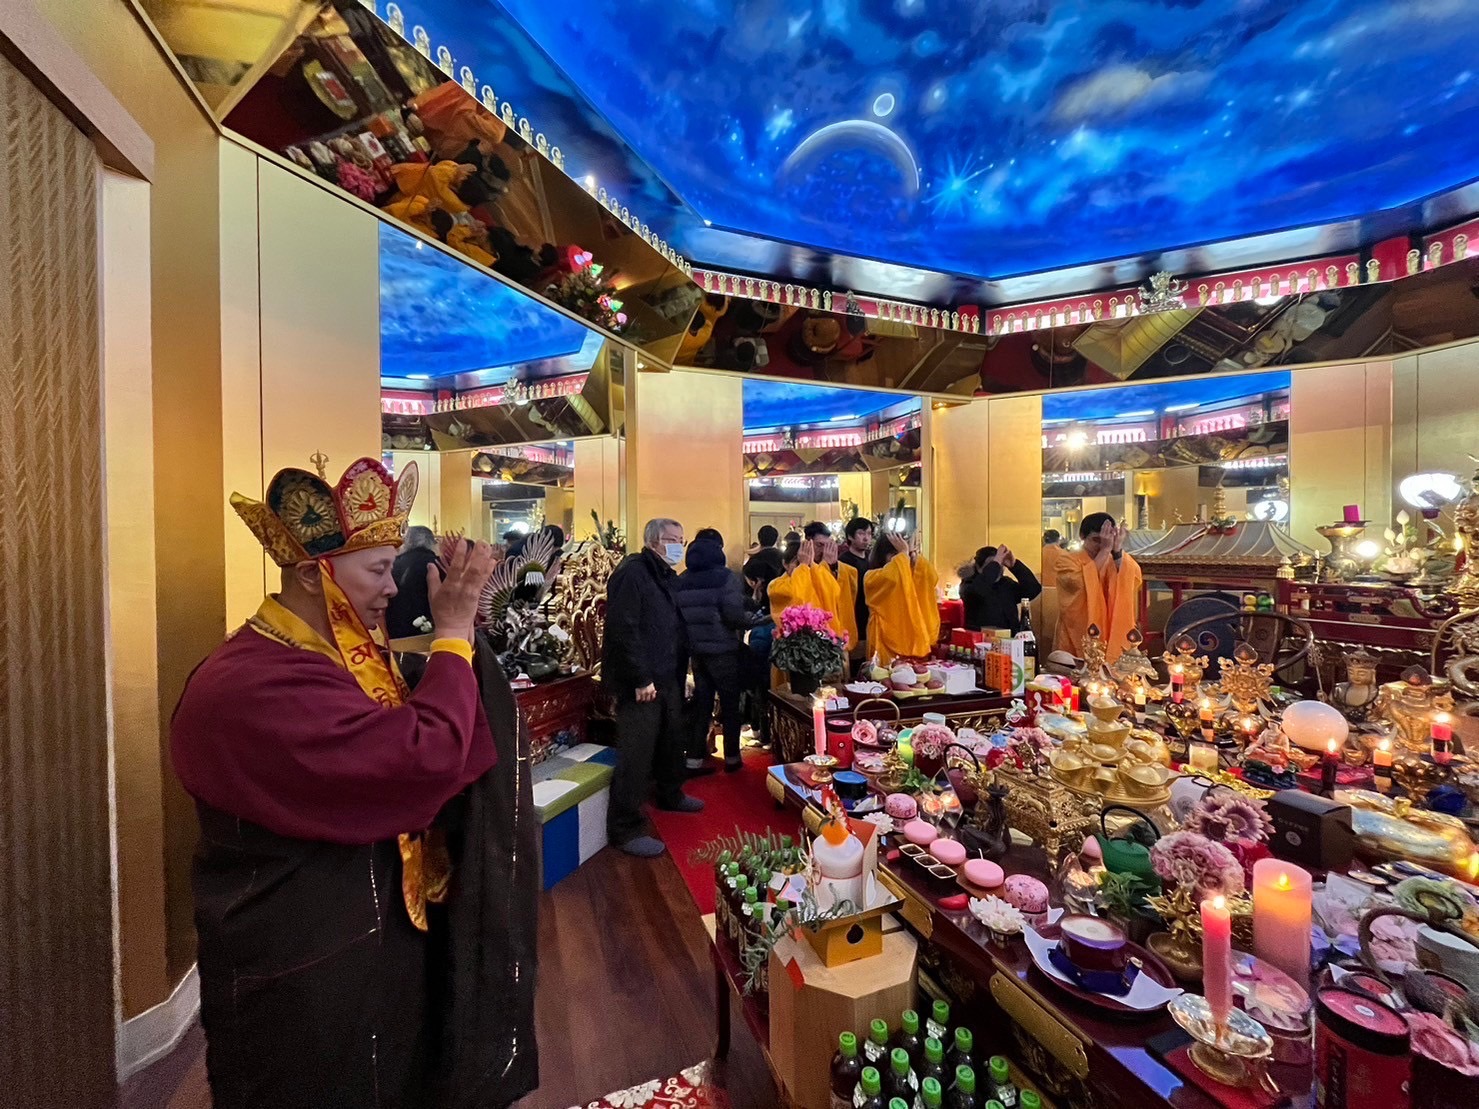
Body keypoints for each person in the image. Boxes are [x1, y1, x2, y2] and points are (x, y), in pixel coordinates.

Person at [171, 456, 516, 1107]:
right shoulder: (254, 682)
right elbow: (419, 757)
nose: (392, 588)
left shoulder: (324, 654)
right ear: (312, 573)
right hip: (299, 943)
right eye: (378, 570)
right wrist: (451, 634)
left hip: (355, 924)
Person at [603, 517, 704, 858]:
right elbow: (623, 628)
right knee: (637, 752)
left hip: (668, 675)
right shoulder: (633, 572)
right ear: (652, 542)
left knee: (671, 741)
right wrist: (639, 678)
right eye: (672, 539)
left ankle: (671, 793)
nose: (678, 546)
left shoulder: (666, 575)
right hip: (641, 681)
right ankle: (625, 828)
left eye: (681, 539)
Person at [676, 529, 749, 773]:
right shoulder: (726, 578)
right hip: (724, 651)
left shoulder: (682, 579)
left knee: (702, 705)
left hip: (696, 652)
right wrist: (752, 618)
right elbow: (733, 616)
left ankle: (694, 758)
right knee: (730, 705)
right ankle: (732, 758)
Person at [1054, 512, 1143, 662]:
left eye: (1107, 540)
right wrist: (1105, 550)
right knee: (1075, 670)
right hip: (1077, 632)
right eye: (1097, 540)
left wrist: (1116, 551)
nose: (1102, 545)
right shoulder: (1066, 560)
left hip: (1110, 629)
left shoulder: (1114, 559)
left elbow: (1132, 578)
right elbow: (1080, 584)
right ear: (1082, 536)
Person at [766, 532, 856, 649]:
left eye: (809, 562)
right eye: (797, 563)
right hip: (793, 647)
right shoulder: (776, 585)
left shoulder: (815, 576)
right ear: (785, 563)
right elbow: (796, 597)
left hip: (823, 644)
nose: (804, 567)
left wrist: (824, 565)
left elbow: (834, 592)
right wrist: (803, 566)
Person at [864, 531, 941, 662]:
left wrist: (914, 557)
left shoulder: (907, 573)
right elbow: (892, 578)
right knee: (886, 673)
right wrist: (903, 554)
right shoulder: (872, 577)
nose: (901, 558)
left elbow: (929, 578)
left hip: (912, 635)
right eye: (894, 554)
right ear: (882, 555)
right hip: (885, 640)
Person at [960, 544, 1042, 633]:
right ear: (978, 567)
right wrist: (996, 562)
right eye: (992, 564)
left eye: (1000, 564)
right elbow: (980, 590)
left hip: (1010, 638)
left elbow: (1033, 589)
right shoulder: (969, 584)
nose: (998, 568)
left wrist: (1015, 566)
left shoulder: (1006, 583)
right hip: (982, 638)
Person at [387, 524, 440, 638]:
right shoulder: (438, 564)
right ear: (431, 542)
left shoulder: (393, 564)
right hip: (428, 630)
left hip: (394, 628)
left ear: (406, 542)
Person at [839, 517, 874, 664]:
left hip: (869, 615)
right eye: (861, 533)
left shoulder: (872, 559)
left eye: (869, 533)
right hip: (853, 614)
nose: (866, 538)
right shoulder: (844, 561)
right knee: (855, 661)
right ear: (850, 536)